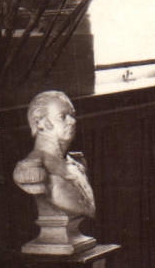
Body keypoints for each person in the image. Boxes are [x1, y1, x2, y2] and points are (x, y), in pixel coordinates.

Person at [14, 90, 97, 254]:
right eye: (63, 116)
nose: (72, 121)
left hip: (77, 241)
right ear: (40, 122)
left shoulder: (77, 163)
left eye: (72, 115)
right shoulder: (32, 168)